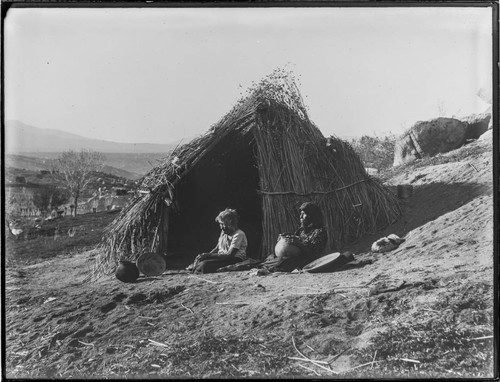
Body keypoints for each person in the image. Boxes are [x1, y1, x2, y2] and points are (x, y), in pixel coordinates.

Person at [261, 202, 327, 272]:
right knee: (271, 257)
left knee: (284, 262)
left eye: (304, 214)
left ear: (312, 215)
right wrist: (285, 237)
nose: (301, 217)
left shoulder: (319, 231)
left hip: (309, 260)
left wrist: (299, 244)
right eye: (300, 214)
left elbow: (314, 254)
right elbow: (295, 240)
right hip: (296, 256)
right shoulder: (302, 230)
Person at [187, 208, 248, 274]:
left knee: (205, 265)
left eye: (223, 224)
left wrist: (208, 255)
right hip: (222, 257)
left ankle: (197, 267)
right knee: (201, 261)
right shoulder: (224, 232)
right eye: (220, 224)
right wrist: (205, 256)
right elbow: (217, 248)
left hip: (234, 259)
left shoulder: (239, 234)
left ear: (230, 223)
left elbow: (230, 255)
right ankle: (197, 266)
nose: (221, 227)